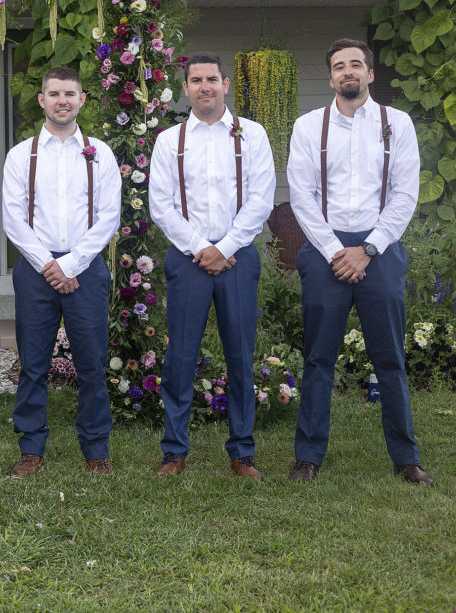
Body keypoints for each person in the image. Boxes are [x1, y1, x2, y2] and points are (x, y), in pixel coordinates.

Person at [286, 38, 432, 485]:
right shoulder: (309, 126)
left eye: (356, 65)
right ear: (330, 77)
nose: (348, 72)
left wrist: (368, 249)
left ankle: (406, 458)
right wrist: (336, 251)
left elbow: (406, 193)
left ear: (370, 73)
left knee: (389, 358)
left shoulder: (398, 123)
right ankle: (308, 456)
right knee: (318, 359)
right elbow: (302, 196)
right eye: (339, 66)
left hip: (380, 251)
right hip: (325, 250)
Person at [149, 52, 275, 479]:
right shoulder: (170, 141)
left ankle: (242, 453)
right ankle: (174, 452)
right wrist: (202, 248)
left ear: (225, 85)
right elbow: (161, 206)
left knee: (240, 356)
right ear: (185, 88)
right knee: (180, 357)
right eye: (197, 80)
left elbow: (261, 198)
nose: (205, 86)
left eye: (212, 79)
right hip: (188, 261)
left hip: (238, 260)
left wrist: (227, 247)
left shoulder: (252, 135)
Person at [2, 66, 121, 476]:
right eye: (54, 94)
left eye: (70, 94)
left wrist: (71, 264)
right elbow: (13, 219)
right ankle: (31, 447)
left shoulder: (100, 153)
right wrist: (49, 266)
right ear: (42, 100)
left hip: (85, 267)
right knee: (33, 363)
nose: (62, 101)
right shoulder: (22, 155)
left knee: (91, 362)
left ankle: (95, 449)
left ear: (82, 100)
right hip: (36, 268)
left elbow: (108, 217)